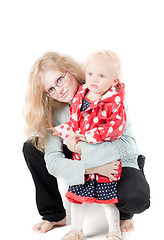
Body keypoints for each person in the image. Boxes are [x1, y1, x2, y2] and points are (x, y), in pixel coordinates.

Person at [22, 51, 150, 236]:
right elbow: (53, 163)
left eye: (59, 80)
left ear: (70, 71)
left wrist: (84, 149)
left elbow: (128, 145)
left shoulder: (105, 92)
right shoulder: (54, 111)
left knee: (135, 199)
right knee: (32, 146)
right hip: (83, 157)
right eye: (50, 89)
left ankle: (124, 211)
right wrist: (93, 169)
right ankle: (54, 214)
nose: (58, 90)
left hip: (117, 156)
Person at [48, 50, 127, 239]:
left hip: (102, 155)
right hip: (81, 159)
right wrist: (63, 130)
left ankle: (114, 231)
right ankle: (76, 229)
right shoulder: (81, 95)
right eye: (91, 74)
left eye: (101, 76)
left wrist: (87, 137)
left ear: (114, 81)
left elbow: (114, 129)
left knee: (108, 200)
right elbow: (76, 123)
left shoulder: (113, 103)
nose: (94, 80)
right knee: (77, 199)